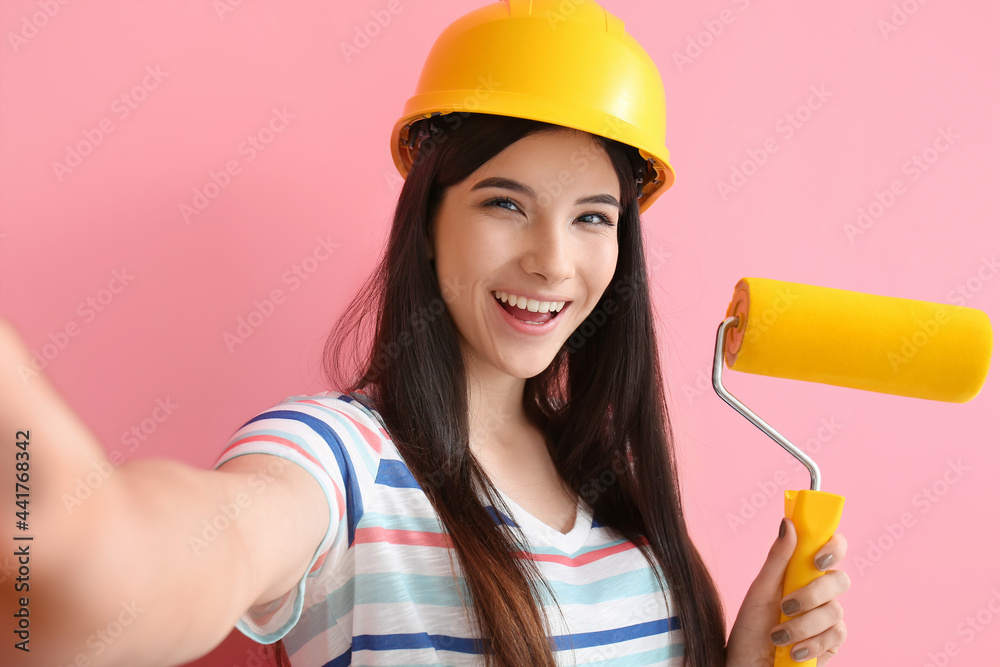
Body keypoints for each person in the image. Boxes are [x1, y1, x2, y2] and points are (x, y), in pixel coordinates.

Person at [2, 1, 849, 666]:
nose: (554, 262)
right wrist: (84, 552)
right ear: (429, 219)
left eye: (593, 217)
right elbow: (117, 577)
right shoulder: (340, 458)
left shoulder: (613, 481)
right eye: (505, 203)